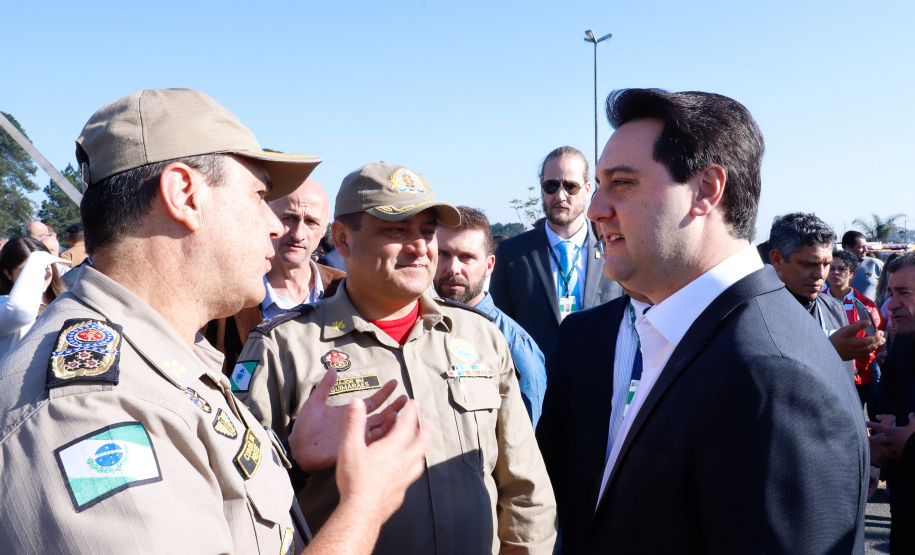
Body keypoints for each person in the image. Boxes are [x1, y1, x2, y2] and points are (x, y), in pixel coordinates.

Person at [0, 88, 432, 555]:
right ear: (185, 195)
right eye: (259, 195)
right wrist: (365, 506)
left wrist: (295, 460)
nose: (275, 225)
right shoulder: (91, 408)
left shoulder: (170, 354)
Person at [576, 88, 867, 553]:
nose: (594, 209)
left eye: (622, 183)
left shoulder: (771, 376)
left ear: (706, 190)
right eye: (597, 185)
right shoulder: (696, 334)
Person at [237, 161, 557, 555]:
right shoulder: (284, 348)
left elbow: (525, 490)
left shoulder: (480, 337)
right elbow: (243, 499)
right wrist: (294, 460)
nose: (420, 247)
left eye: (427, 231)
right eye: (396, 229)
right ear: (342, 239)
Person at [536, 286, 651, 553]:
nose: (606, 241)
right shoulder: (579, 330)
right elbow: (551, 449)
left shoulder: (712, 329)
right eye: (604, 239)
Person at [489, 146, 622, 361]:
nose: (560, 195)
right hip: (537, 389)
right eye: (551, 185)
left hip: (601, 386)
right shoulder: (511, 254)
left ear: (587, 189)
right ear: (541, 187)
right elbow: (499, 332)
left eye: (571, 187)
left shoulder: (614, 247)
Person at [203, 178, 345, 375]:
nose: (298, 234)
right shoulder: (225, 296)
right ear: (268, 219)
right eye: (289, 218)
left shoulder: (346, 289)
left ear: (325, 229)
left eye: (311, 222)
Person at [433, 205, 547, 426]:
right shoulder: (418, 330)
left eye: (466, 257)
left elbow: (525, 446)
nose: (453, 268)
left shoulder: (515, 345)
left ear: (489, 265)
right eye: (443, 254)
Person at [768, 212, 885, 375]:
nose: (821, 274)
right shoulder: (756, 313)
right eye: (810, 264)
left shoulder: (834, 308)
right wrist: (829, 352)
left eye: (826, 264)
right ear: (777, 260)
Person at [868, 252, 915, 552]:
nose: (891, 304)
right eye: (890, 292)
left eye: (904, 294)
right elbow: (891, 389)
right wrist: (885, 430)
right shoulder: (903, 340)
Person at [826, 248, 883, 407]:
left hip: (859, 378)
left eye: (841, 269)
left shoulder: (865, 305)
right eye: (831, 267)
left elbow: (874, 339)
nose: (835, 272)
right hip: (825, 375)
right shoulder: (815, 302)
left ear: (851, 273)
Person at [0, 236, 68, 357]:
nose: (39, 275)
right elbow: (21, 311)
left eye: (45, 267)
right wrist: (38, 260)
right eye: (27, 270)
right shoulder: (3, 304)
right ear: (7, 274)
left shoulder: (66, 300)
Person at [843, 230, 884, 302]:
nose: (866, 250)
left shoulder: (875, 265)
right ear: (848, 248)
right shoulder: (833, 268)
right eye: (861, 247)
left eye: (866, 246)